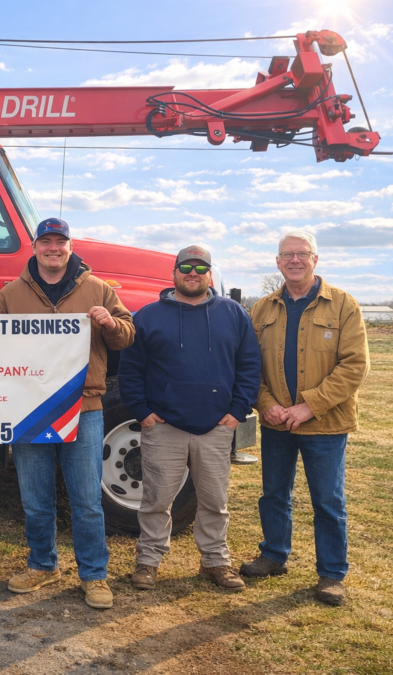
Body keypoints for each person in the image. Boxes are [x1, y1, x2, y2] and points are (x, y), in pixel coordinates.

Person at [0, 218, 135, 610]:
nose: (53, 248)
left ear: (70, 247)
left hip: (84, 408)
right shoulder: (10, 294)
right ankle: (42, 564)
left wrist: (110, 323)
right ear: (34, 247)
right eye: (46, 242)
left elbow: (127, 334)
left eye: (60, 242)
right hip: (29, 409)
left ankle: (94, 574)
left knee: (86, 500)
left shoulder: (99, 289)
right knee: (36, 499)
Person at [119, 245, 260, 593]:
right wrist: (143, 413)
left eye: (200, 268)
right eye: (185, 267)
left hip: (216, 427)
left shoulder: (234, 314)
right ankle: (148, 561)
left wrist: (236, 413)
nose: (192, 273)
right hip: (163, 427)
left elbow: (249, 366)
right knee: (156, 500)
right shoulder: (148, 316)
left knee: (214, 501)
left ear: (210, 274)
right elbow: (130, 370)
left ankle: (215, 561)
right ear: (173, 273)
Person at [241, 230, 369, 606]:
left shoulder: (343, 305)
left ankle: (331, 574)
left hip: (325, 424)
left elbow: (355, 365)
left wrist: (310, 406)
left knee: (327, 500)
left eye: (302, 253)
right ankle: (273, 555)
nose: (294, 260)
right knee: (273, 494)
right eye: (287, 255)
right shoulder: (262, 309)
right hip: (277, 422)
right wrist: (267, 404)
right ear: (277, 262)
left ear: (315, 259)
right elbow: (250, 366)